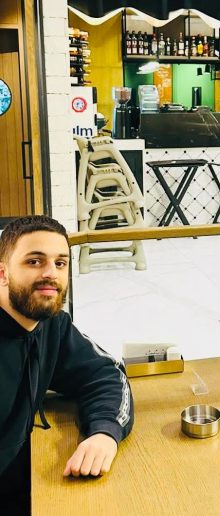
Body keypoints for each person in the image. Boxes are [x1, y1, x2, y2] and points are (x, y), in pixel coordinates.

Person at [0, 215, 133, 514]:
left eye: (60, 263)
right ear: (3, 273)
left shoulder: (51, 325)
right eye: (34, 261)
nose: (51, 274)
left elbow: (106, 374)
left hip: (30, 485)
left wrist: (104, 433)